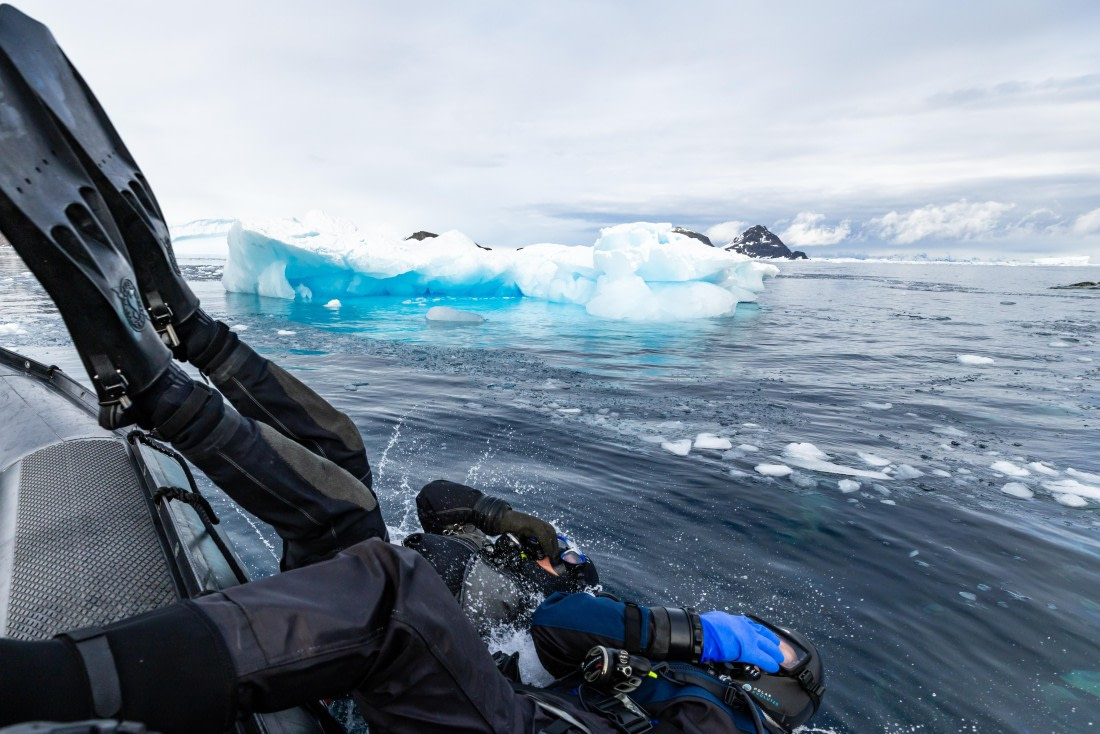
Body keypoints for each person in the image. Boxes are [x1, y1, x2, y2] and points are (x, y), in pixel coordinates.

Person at [0, 6, 824, 734]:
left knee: (381, 568)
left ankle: (43, 678)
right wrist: (508, 518)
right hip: (439, 660)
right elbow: (437, 502)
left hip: (470, 690)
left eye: (756, 651)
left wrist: (684, 637)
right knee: (343, 450)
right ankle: (189, 343)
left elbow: (562, 626)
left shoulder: (699, 705)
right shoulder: (565, 575)